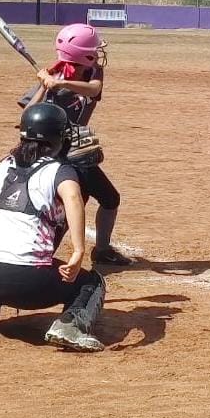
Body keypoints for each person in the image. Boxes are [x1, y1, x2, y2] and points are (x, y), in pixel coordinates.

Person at [0, 103, 107, 352]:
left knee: (1, 269)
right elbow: (74, 199)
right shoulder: (60, 171)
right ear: (57, 138)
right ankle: (70, 327)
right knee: (92, 283)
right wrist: (78, 251)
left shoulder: (3, 165)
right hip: (25, 282)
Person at [20, 23, 133, 268]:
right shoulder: (53, 73)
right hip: (56, 152)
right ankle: (47, 254)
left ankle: (99, 250)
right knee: (72, 205)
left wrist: (60, 84)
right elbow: (27, 117)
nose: (98, 53)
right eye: (94, 49)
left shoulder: (93, 73)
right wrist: (43, 85)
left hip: (79, 146)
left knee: (103, 198)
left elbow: (94, 90)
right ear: (83, 54)